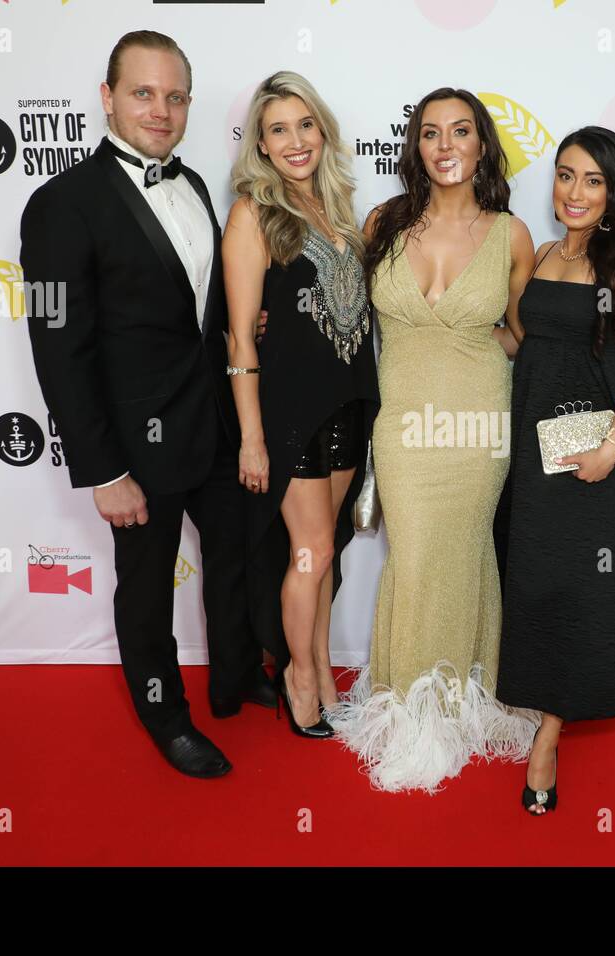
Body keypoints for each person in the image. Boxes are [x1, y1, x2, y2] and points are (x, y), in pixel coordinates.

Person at [20, 31, 276, 779]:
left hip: (214, 426)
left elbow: (196, 306)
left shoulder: (195, 185)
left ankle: (233, 679)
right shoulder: (60, 205)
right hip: (135, 446)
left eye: (174, 96)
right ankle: (166, 716)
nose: (160, 110)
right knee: (146, 589)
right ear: (107, 97)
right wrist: (102, 470)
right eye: (143, 93)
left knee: (233, 560)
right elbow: (58, 351)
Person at [327, 88, 538, 793]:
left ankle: (454, 702)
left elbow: (522, 337)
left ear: (482, 145)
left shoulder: (510, 234)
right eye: (430, 133)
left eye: (461, 131)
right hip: (405, 423)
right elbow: (350, 319)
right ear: (415, 146)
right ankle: (411, 703)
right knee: (415, 555)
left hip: (479, 421)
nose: (446, 145)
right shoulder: (384, 222)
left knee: (464, 548)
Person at [496, 127, 615, 815]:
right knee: (541, 580)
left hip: (598, 447)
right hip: (537, 446)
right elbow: (526, 343)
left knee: (586, 587)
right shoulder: (543, 253)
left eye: (592, 180)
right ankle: (546, 705)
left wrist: (613, 446)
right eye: (565, 176)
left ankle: (549, 733)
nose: (574, 192)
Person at [222, 71, 379, 739]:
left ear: (323, 130)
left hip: (347, 403)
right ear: (260, 142)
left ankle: (314, 667)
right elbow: (238, 336)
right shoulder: (253, 214)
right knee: (309, 553)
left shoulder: (340, 209)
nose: (295, 140)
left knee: (326, 552)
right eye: (279, 129)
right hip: (290, 414)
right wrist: (251, 437)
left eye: (304, 125)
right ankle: (301, 678)